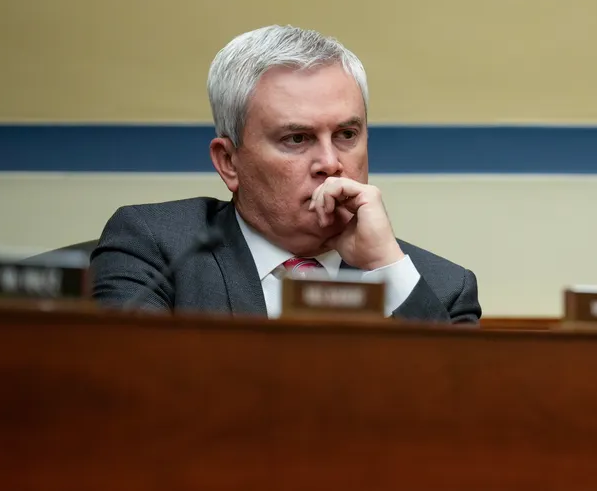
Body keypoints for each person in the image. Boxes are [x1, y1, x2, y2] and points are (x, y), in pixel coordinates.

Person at [90, 25, 481, 323]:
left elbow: (465, 415)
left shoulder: (439, 288)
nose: (330, 163)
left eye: (346, 134)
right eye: (297, 138)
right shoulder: (159, 249)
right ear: (229, 162)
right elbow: (129, 396)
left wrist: (386, 269)